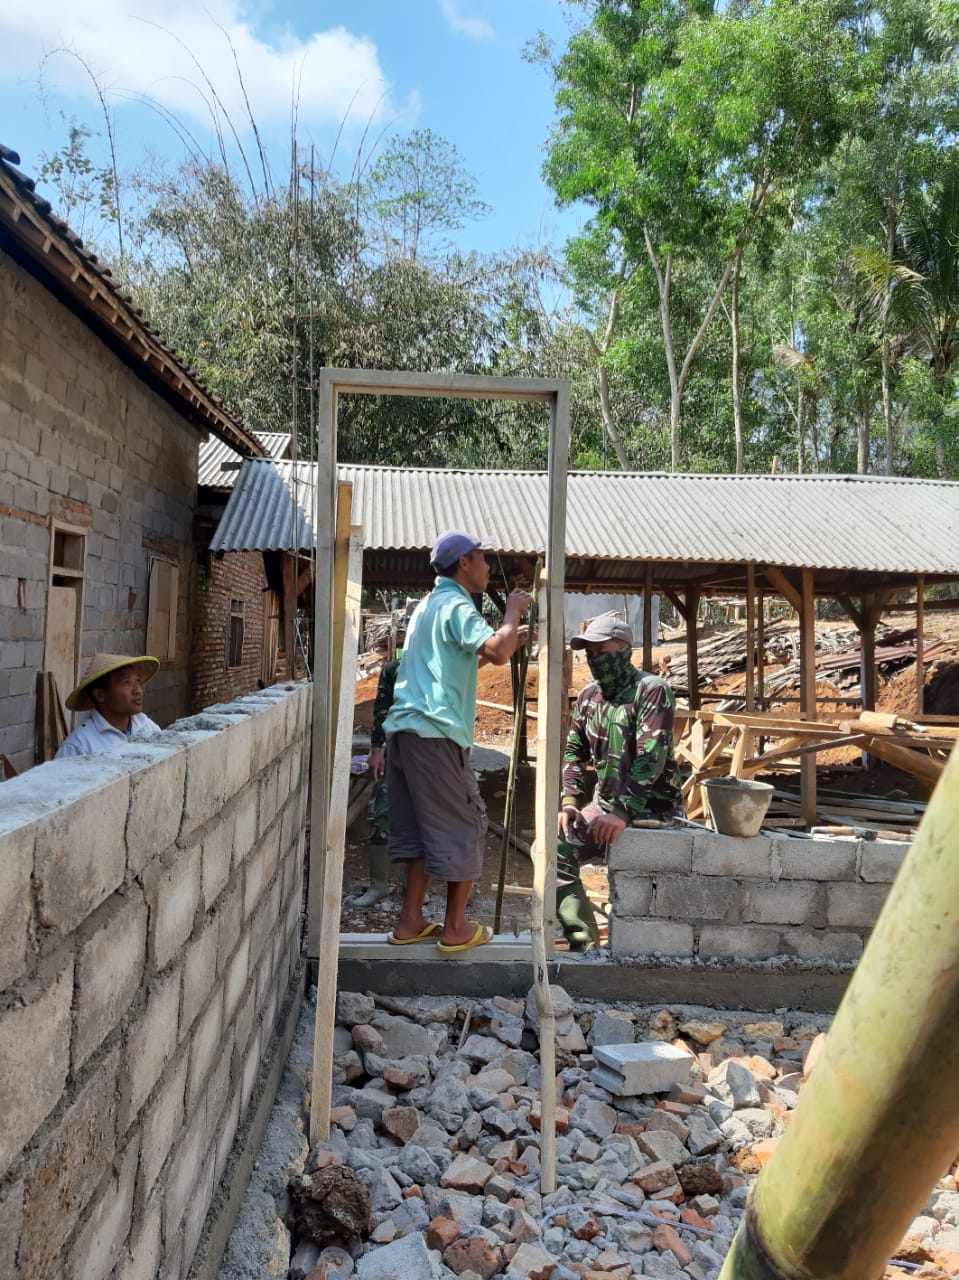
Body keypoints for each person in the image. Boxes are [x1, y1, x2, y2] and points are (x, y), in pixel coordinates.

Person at [383, 529, 530, 952]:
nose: (487, 566)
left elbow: (466, 660)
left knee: (421, 831)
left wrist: (509, 637)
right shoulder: (456, 604)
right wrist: (512, 612)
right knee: (467, 823)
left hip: (406, 733)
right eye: (481, 557)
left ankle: (410, 921)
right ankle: (455, 928)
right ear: (464, 563)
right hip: (436, 735)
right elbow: (497, 651)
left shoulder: (428, 606)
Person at [556, 613, 683, 951]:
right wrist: (570, 801)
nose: (595, 659)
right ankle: (584, 943)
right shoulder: (588, 697)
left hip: (653, 810)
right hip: (605, 806)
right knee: (551, 849)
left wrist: (622, 812)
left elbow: (650, 756)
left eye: (602, 650)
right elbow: (574, 752)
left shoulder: (651, 690)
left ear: (625, 649)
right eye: (590, 653)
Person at [354, 651, 402, 908]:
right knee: (380, 812)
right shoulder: (394, 670)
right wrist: (376, 750)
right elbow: (381, 710)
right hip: (395, 750)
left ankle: (413, 889)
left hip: (430, 753)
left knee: (423, 820)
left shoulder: (440, 667)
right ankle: (378, 885)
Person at [56, 653, 161, 758]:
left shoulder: (146, 726)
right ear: (100, 695)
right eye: (126, 683)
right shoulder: (79, 747)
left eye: (137, 681)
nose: (138, 690)